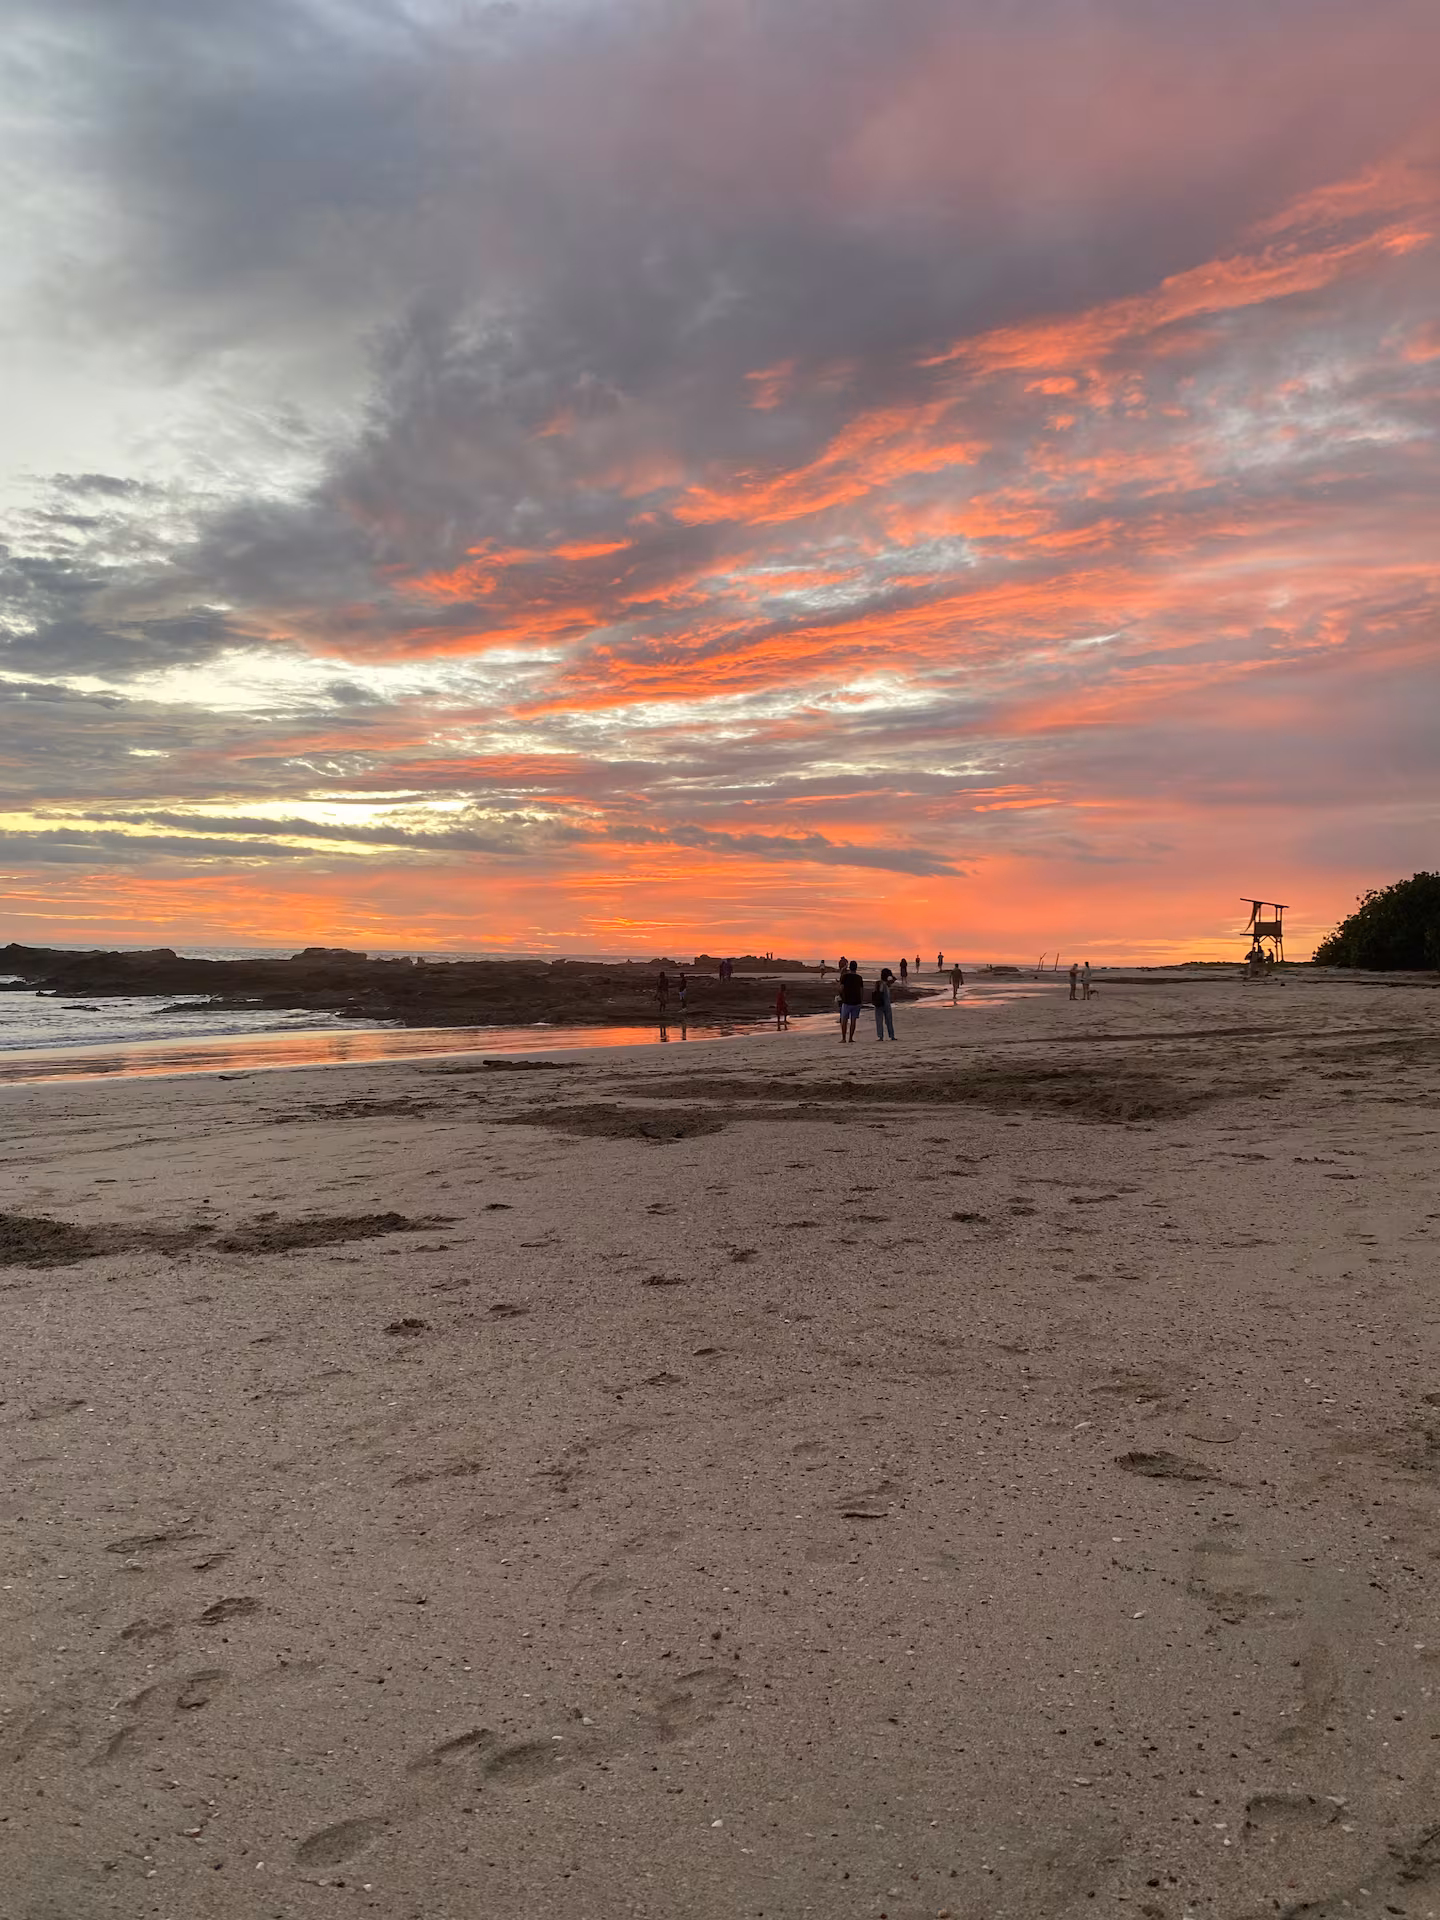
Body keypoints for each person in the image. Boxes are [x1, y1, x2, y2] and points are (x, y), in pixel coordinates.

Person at [839, 959, 865, 1042]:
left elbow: (841, 988)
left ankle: (843, 1038)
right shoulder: (859, 978)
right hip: (856, 1000)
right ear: (856, 968)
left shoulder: (845, 976)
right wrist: (861, 1000)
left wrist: (840, 995)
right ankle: (850, 1038)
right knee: (853, 1020)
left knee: (844, 1020)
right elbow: (861, 990)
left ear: (849, 967)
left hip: (846, 1000)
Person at [872, 968, 896, 1041]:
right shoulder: (887, 984)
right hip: (886, 1003)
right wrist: (891, 975)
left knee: (879, 1020)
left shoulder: (878, 983)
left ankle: (880, 1036)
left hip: (879, 1003)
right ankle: (891, 1035)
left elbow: (875, 992)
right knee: (889, 1020)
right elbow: (894, 979)